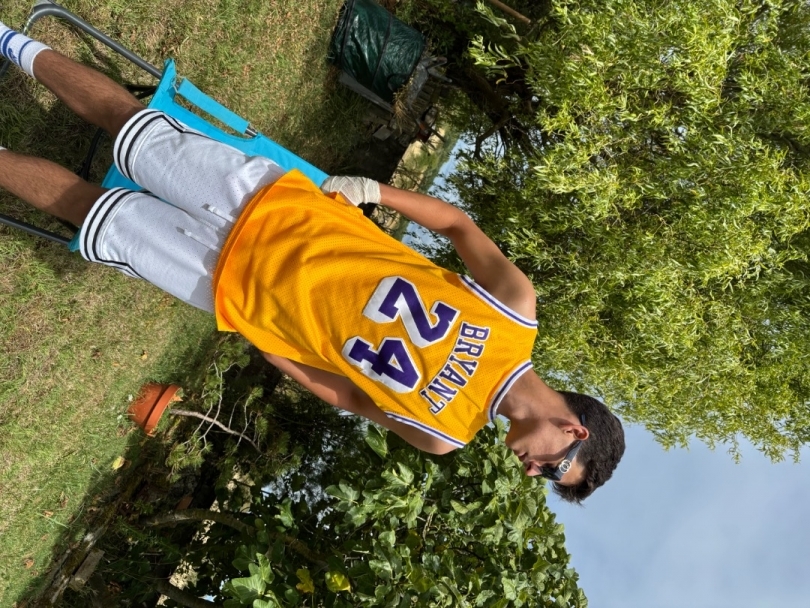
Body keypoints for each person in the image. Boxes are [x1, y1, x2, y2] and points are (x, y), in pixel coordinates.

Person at [0, 23, 624, 503]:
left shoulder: (444, 437)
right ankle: (11, 42)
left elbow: (350, 396)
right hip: (280, 210)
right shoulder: (516, 310)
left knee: (92, 212)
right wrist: (372, 191)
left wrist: (270, 346)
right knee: (135, 129)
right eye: (555, 469)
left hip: (234, 290)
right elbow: (458, 224)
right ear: (575, 433)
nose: (534, 471)